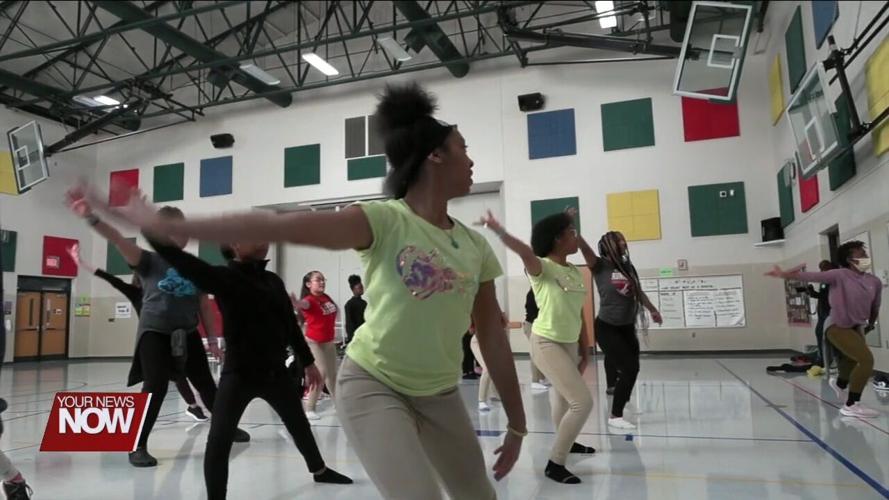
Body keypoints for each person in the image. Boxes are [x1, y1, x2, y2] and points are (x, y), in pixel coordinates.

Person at [80, 81, 524, 499]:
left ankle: (317, 462)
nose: (471, 160)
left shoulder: (474, 245)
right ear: (435, 157)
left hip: (440, 392)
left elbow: (492, 338)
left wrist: (518, 423)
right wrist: (169, 228)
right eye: (463, 149)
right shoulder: (384, 220)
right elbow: (279, 224)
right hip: (375, 385)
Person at [143, 233, 352, 499]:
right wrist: (150, 227)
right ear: (235, 246)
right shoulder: (225, 278)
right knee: (219, 439)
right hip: (238, 374)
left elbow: (289, 325)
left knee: (299, 424)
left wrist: (308, 361)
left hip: (275, 372)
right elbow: (184, 262)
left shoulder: (273, 281)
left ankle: (319, 470)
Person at [64, 195, 249, 467]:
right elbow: (117, 239)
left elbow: (203, 306)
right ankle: (136, 444)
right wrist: (90, 217)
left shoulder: (194, 266)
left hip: (187, 332)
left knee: (207, 385)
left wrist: (211, 339)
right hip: (155, 332)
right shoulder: (149, 260)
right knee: (155, 387)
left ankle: (226, 427)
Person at [479, 209, 596, 484]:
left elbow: (578, 312)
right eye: (571, 233)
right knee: (582, 402)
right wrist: (499, 231)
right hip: (546, 342)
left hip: (569, 343)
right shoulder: (542, 268)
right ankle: (556, 463)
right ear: (557, 239)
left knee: (565, 399)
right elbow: (524, 252)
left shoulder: (574, 272)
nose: (575, 237)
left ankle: (569, 442)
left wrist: (585, 347)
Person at [68, 244, 209, 422]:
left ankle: (194, 406)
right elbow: (110, 278)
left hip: (175, 338)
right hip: (152, 339)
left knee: (181, 375)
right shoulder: (135, 293)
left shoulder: (165, 290)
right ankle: (183, 408)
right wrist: (81, 262)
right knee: (159, 381)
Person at [766, 240, 882, 418]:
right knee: (866, 360)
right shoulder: (839, 275)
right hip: (836, 325)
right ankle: (851, 404)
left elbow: (875, 307)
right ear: (849, 259)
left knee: (852, 360)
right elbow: (811, 276)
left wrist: (871, 325)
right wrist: (784, 274)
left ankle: (840, 384)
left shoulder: (874, 281)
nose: (866, 257)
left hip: (856, 327)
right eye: (861, 254)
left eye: (865, 254)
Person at [594, 231, 662, 430]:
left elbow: (637, 291)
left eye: (623, 239)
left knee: (633, 369)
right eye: (618, 241)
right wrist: (571, 226)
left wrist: (652, 309)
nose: (623, 242)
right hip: (607, 326)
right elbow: (586, 251)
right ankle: (615, 416)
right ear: (607, 246)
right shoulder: (600, 266)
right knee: (629, 368)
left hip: (626, 326)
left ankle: (618, 408)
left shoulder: (627, 266)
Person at [292, 271, 338, 420]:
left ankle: (339, 405)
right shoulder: (309, 300)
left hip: (328, 342)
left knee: (333, 376)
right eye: (318, 280)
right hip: (314, 343)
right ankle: (309, 408)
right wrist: (298, 304)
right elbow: (304, 304)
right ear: (308, 284)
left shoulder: (326, 298)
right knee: (321, 373)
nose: (322, 282)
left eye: (323, 279)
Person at [795, 260, 834, 371]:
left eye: (824, 268)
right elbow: (821, 295)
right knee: (819, 333)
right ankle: (821, 357)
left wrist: (812, 292)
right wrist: (811, 292)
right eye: (821, 268)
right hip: (822, 312)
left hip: (829, 312)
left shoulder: (831, 280)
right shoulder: (824, 281)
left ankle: (825, 359)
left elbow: (824, 296)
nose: (822, 271)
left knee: (824, 335)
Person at [470, 313, 509, 411]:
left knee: (495, 368)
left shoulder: (496, 311)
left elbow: (503, 325)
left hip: (490, 342)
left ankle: (494, 394)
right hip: (478, 342)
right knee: (487, 368)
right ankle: (481, 400)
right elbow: (472, 329)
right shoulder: (477, 311)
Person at [523, 290, 550, 390]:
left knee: (541, 353)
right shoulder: (532, 293)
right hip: (532, 325)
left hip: (537, 325)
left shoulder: (540, 292)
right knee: (535, 353)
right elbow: (533, 312)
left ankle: (541, 378)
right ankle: (535, 381)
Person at [344, 275, 367, 346]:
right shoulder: (349, 304)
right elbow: (349, 324)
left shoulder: (364, 303)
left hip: (365, 333)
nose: (362, 289)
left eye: (362, 287)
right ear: (353, 289)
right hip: (356, 336)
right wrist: (351, 339)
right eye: (359, 288)